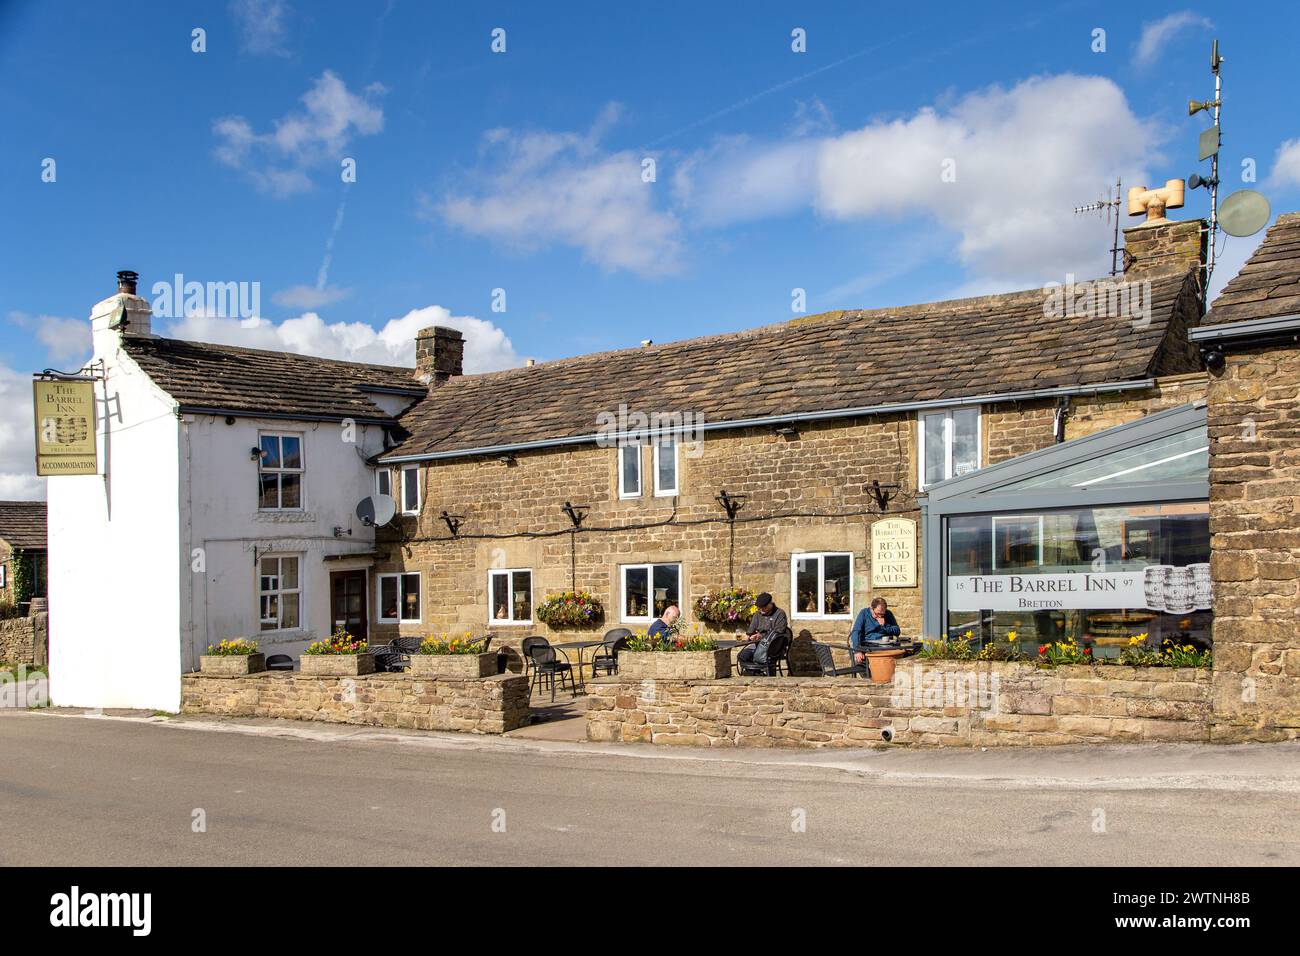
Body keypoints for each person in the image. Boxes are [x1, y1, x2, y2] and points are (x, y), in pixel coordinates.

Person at [737, 592, 791, 670]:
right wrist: (749, 636)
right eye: (760, 607)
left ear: (770, 604)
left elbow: (779, 632)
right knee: (742, 655)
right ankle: (755, 675)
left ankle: (765, 675)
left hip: (774, 648)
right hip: (758, 646)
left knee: (757, 656)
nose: (761, 609)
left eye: (764, 607)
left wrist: (761, 636)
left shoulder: (780, 614)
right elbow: (750, 631)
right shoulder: (757, 614)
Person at [849, 597, 901, 665]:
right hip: (868, 646)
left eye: (882, 614)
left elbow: (897, 631)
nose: (880, 616)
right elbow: (856, 631)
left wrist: (885, 625)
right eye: (877, 613)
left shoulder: (888, 614)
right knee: (860, 660)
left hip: (885, 647)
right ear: (871, 609)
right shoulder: (864, 613)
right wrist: (857, 650)